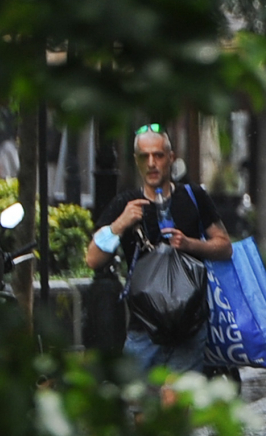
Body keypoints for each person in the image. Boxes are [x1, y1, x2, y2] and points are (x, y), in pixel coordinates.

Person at [85, 123, 233, 377]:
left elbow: (225, 246)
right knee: (141, 407)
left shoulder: (193, 196)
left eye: (158, 155)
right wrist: (121, 223)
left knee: (175, 405)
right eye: (145, 156)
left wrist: (190, 244)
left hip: (190, 325)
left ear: (171, 158)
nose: (152, 163)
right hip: (144, 328)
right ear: (136, 161)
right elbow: (93, 258)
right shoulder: (125, 203)